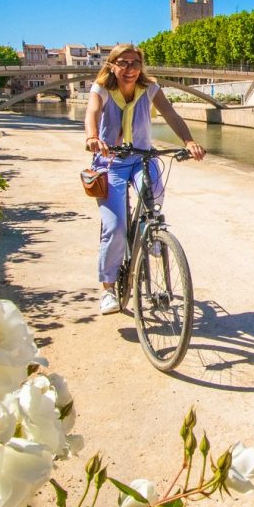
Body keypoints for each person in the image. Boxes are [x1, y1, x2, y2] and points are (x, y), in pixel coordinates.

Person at [84, 44, 207, 314]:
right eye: (124, 63)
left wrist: (188, 141)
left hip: (142, 157)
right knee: (115, 227)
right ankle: (107, 290)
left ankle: (149, 236)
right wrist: (93, 137)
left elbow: (171, 114)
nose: (130, 69)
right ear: (112, 65)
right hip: (111, 162)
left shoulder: (149, 88)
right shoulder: (102, 88)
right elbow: (92, 112)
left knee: (155, 196)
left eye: (135, 63)